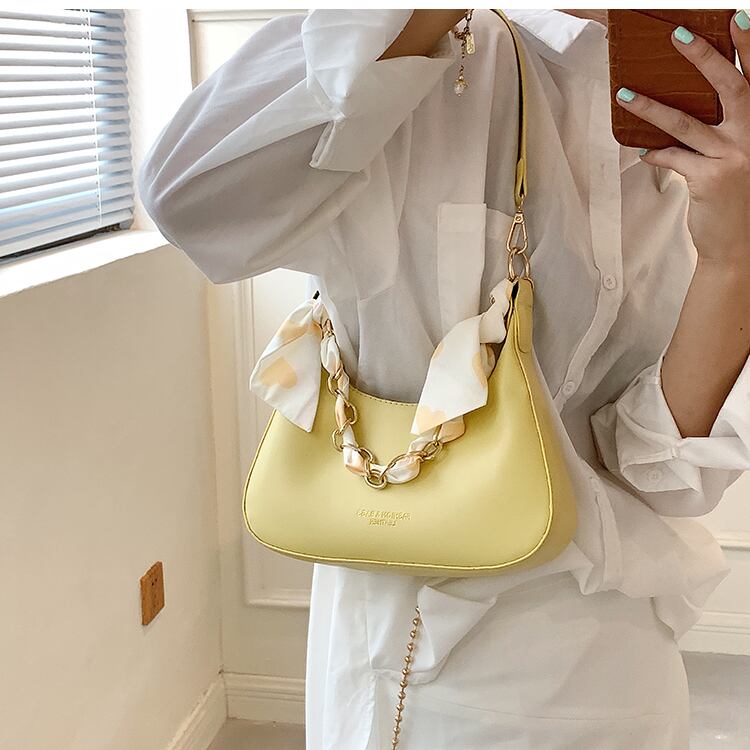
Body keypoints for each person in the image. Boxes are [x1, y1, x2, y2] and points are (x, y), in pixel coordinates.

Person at [138, 9, 750, 749]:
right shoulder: (427, 51)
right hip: (420, 663)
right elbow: (192, 200)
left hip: (624, 658)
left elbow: (661, 473)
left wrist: (733, 259)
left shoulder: (722, 102)